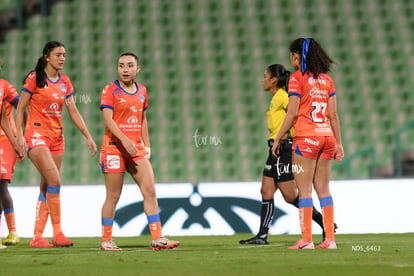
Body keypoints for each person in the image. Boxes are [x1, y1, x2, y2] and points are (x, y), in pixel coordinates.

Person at [15, 41, 97, 248]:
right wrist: (19, 137)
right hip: (36, 135)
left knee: (48, 185)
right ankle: (58, 233)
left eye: (65, 55)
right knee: (55, 181)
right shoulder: (34, 79)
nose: (62, 58)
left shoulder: (65, 82)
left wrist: (88, 135)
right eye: (58, 54)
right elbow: (20, 108)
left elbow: (74, 111)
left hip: (57, 140)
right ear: (46, 57)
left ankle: (37, 237)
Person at [239, 64, 331, 245]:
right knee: (266, 191)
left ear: (274, 80)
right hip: (274, 148)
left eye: (265, 76)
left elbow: (298, 113)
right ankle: (262, 236)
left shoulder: (283, 96)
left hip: (283, 148)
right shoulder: (275, 98)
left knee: (290, 196)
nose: (263, 79)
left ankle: (325, 224)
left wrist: (290, 136)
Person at [99, 52, 179, 251]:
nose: (125, 69)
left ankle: (157, 237)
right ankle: (106, 240)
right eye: (121, 66)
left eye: (129, 65)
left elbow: (142, 118)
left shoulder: (142, 90)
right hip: (114, 149)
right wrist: (125, 141)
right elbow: (108, 120)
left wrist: (147, 144)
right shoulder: (110, 90)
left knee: (150, 190)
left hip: (136, 149)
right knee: (113, 196)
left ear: (137, 69)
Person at [272, 38, 344, 249]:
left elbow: (292, 113)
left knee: (304, 191)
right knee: (324, 189)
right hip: (327, 137)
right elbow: (333, 114)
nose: (291, 60)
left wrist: (278, 138)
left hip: (306, 138)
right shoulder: (327, 80)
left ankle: (306, 240)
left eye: (291, 56)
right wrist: (339, 143)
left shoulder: (296, 78)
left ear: (297, 56)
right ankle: (330, 239)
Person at [0, 57, 27, 246]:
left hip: (4, 141)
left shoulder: (5, 87)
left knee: (1, 184)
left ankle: (13, 231)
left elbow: (21, 107)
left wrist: (21, 138)